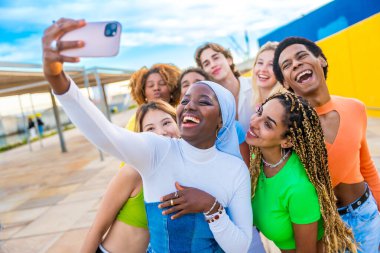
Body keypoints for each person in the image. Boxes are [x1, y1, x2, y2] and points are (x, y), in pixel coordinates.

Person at [42, 18, 252, 253]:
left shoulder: (235, 170)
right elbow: (103, 132)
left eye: (203, 102)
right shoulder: (158, 151)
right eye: (184, 100)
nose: (189, 106)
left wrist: (211, 207)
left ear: (221, 119)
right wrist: (56, 77)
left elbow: (241, 246)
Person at [272, 36, 380, 252]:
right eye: (287, 65)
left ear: (321, 60)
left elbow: (366, 167)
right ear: (285, 83)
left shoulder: (355, 107)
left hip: (367, 215)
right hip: (326, 229)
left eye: (301, 56)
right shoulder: (288, 130)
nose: (296, 64)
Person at [248, 92, 357, 252]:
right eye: (259, 112)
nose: (254, 122)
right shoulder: (256, 159)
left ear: (287, 141)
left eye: (268, 124)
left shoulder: (298, 187)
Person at [81, 100, 180, 253]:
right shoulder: (133, 172)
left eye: (166, 123)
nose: (161, 132)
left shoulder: (183, 170)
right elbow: (97, 228)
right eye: (150, 128)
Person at [178, 67, 250, 166]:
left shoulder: (235, 128)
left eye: (198, 81)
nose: (193, 86)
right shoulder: (180, 131)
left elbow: (247, 167)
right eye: (185, 84)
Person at [195, 42, 255, 133]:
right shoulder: (209, 106)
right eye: (206, 64)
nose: (213, 65)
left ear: (229, 60)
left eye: (216, 58)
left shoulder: (255, 85)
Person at [126, 63, 181, 130]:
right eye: (150, 85)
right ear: (143, 92)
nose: (156, 88)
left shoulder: (182, 114)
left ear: (172, 89)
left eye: (162, 83)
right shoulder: (135, 121)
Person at [252, 42, 285, 108]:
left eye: (271, 64)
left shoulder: (282, 105)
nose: (263, 69)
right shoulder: (257, 101)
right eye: (260, 63)